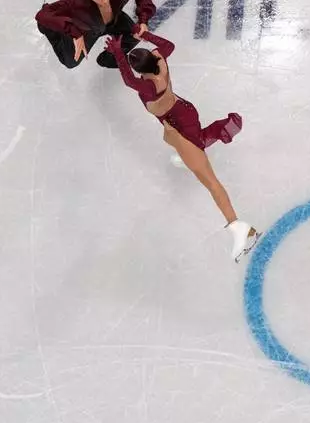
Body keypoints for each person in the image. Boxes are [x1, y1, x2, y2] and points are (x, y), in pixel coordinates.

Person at [104, 30, 260, 261]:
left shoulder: (149, 86)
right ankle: (198, 148)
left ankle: (241, 229)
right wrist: (146, 34)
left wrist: (118, 53)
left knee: (210, 181)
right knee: (183, 144)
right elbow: (169, 45)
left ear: (139, 69)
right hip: (184, 111)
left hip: (179, 126)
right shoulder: (160, 59)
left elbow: (128, 80)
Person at [36, 0, 155, 69]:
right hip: (86, 27)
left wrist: (143, 20)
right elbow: (42, 15)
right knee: (71, 62)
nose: (104, 1)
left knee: (135, 35)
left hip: (114, 19)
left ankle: (109, 58)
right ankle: (51, 30)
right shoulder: (74, 0)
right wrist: (74, 33)